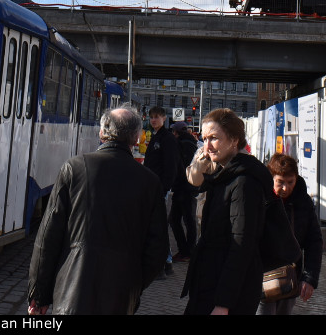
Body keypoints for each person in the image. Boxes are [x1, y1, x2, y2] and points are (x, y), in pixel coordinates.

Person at [27, 104, 168, 315]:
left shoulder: (74, 168)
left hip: (71, 291)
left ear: (102, 133)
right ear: (137, 137)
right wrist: (133, 284)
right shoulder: (150, 182)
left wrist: (39, 294)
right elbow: (157, 249)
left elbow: (48, 236)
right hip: (121, 297)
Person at [182, 108, 272, 315]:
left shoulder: (244, 182)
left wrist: (223, 303)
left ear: (234, 140)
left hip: (226, 292)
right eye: (204, 139)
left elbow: (241, 245)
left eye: (214, 138)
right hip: (211, 281)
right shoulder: (223, 175)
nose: (207, 146)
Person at [259, 153, 323, 315]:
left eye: (290, 182)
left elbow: (314, 242)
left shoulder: (303, 202)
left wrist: (309, 278)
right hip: (262, 275)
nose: (285, 188)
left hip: (291, 276)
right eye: (280, 182)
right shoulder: (259, 199)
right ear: (271, 178)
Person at [143, 106, 179, 276]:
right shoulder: (156, 137)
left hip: (159, 189)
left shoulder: (167, 139)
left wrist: (164, 188)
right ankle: (167, 261)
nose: (153, 120)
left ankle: (163, 264)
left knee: (158, 226)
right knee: (159, 225)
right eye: (151, 117)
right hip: (154, 187)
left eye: (157, 117)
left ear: (164, 118)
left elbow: (170, 166)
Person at [169, 121, 199, 262]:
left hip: (183, 187)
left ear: (176, 132)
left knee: (177, 220)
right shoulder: (193, 143)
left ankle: (186, 251)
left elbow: (177, 166)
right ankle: (188, 250)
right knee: (188, 220)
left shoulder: (179, 144)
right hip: (191, 186)